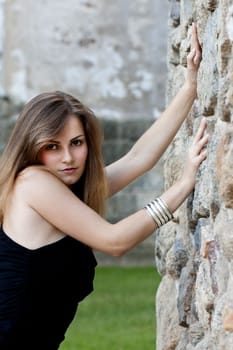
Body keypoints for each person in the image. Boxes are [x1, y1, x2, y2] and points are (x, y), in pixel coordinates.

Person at [0, 23, 207, 349]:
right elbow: (115, 241)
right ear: (32, 147)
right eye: (52, 146)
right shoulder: (33, 184)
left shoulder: (64, 191)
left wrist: (191, 87)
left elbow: (139, 158)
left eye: (77, 142)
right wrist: (183, 187)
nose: (68, 157)